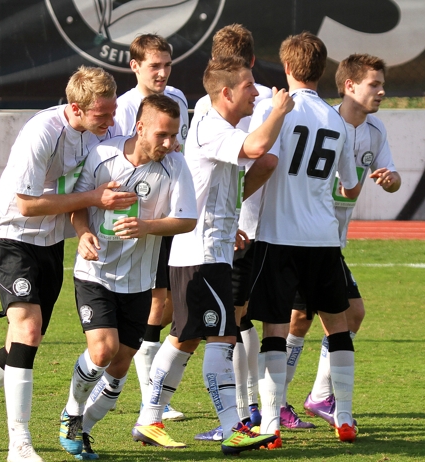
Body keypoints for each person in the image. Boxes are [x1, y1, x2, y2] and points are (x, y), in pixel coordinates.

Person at [0, 66, 137, 462]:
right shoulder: (42, 131)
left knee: (21, 343)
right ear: (75, 108)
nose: (111, 120)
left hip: (50, 244)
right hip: (11, 236)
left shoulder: (103, 131)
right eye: (102, 113)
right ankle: (20, 444)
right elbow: (27, 205)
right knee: (28, 330)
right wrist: (93, 200)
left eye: (113, 110)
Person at [131, 56, 294, 455]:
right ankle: (229, 428)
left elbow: (259, 163)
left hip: (208, 251)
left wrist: (228, 217)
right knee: (222, 337)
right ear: (226, 93)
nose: (257, 93)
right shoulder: (212, 127)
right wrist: (278, 111)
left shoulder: (223, 129)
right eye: (249, 87)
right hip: (202, 255)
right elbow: (260, 147)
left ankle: (149, 417)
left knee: (185, 338)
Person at [57, 94, 197, 460]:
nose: (169, 143)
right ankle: (72, 413)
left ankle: (84, 429)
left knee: (119, 369)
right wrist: (83, 232)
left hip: (139, 281)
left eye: (174, 135)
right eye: (162, 135)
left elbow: (187, 219)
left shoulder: (176, 166)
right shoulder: (103, 155)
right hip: (95, 273)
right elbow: (79, 204)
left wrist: (147, 226)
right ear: (140, 127)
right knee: (102, 351)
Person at [192, 24, 314, 443]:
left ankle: (245, 416)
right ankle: (257, 414)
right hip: (260, 227)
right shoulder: (260, 97)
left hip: (238, 230)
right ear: (254, 58)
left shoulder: (234, 101)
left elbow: (263, 159)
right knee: (243, 322)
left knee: (233, 322)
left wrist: (234, 211)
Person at [246, 32, 363, 446]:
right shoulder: (338, 121)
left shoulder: (273, 109)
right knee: (338, 328)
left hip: (278, 236)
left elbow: (261, 157)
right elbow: (349, 186)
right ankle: (344, 416)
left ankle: (271, 425)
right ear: (322, 70)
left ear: (289, 69)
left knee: (274, 330)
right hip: (323, 238)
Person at [285, 54, 400, 426]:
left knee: (302, 318)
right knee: (342, 315)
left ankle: (305, 399)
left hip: (329, 240)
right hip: (309, 236)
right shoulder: (325, 122)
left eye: (382, 84)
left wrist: (389, 180)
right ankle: (303, 399)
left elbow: (393, 178)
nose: (382, 91)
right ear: (349, 86)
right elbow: (343, 189)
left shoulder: (376, 131)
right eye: (374, 84)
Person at [111, 33, 190, 422]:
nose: (161, 73)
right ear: (135, 66)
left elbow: (178, 152)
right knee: (156, 301)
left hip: (166, 217)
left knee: (170, 302)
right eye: (153, 65)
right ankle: (150, 398)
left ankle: (151, 394)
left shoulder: (178, 101)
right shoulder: (125, 108)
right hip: (136, 218)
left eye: (167, 65)